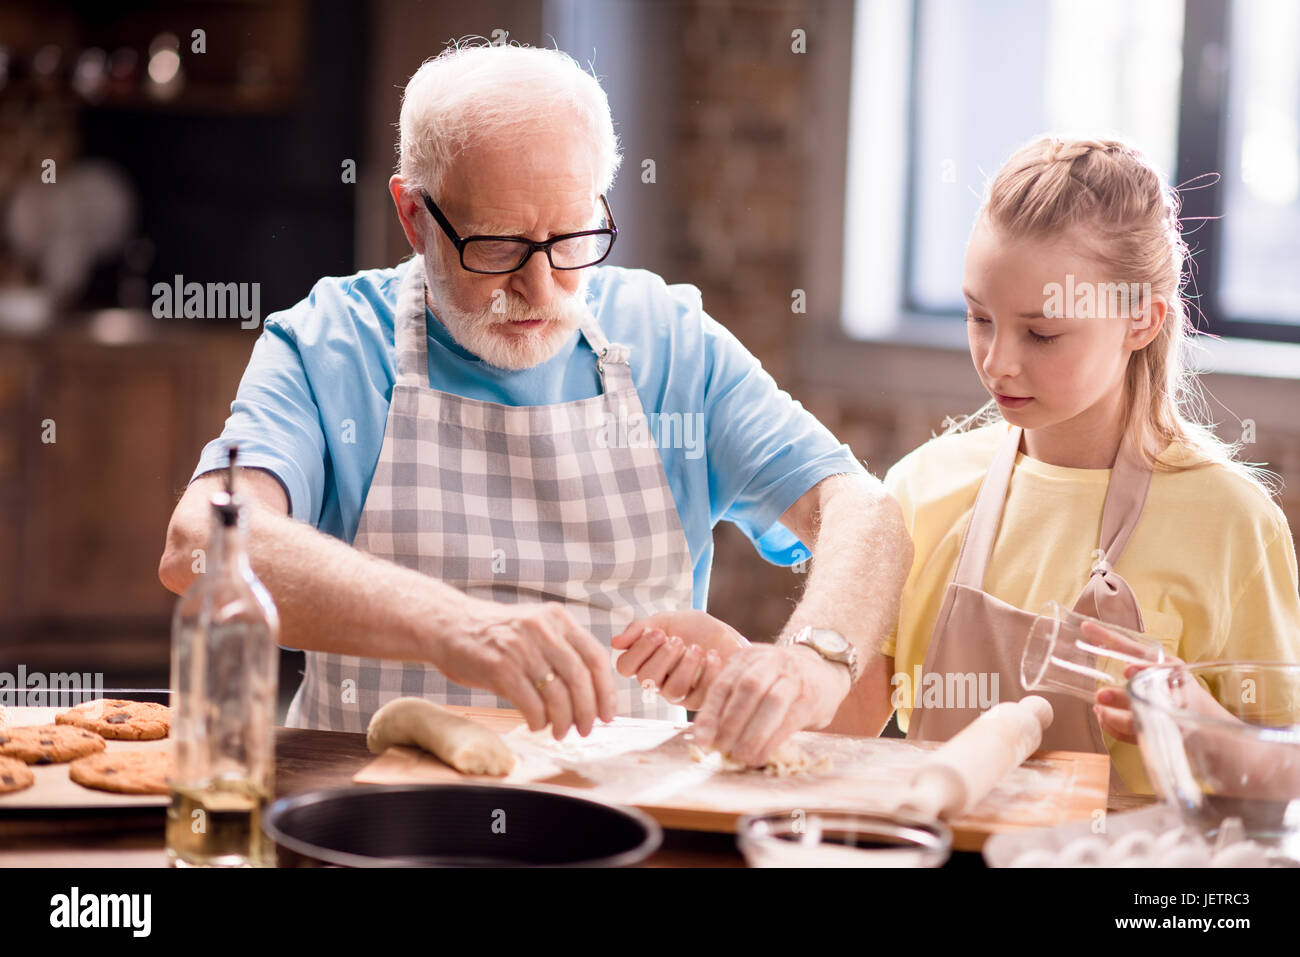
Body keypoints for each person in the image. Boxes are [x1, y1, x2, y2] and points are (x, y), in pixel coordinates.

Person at [158, 41, 912, 760]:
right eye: (497, 247)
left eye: (572, 237)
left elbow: (862, 511)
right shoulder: (333, 343)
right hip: (362, 808)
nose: (542, 289)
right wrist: (455, 626)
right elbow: (198, 542)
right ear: (414, 216)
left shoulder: (670, 342)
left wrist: (813, 660)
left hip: (627, 813)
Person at [635, 136, 1300, 792]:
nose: (998, 361)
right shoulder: (924, 489)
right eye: (979, 317)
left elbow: (1286, 777)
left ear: (1140, 321)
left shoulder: (1232, 524)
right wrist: (744, 677)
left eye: (1041, 332)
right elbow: (846, 726)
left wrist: (1202, 728)